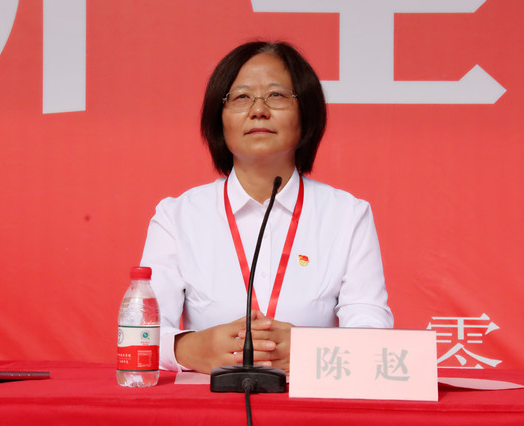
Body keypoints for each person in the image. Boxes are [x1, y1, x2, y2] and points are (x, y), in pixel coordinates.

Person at [141, 41, 393, 375]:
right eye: (241, 97)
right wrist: (190, 348)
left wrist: (310, 349)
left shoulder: (347, 215)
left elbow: (371, 328)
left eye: (276, 95)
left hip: (310, 399)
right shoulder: (177, 217)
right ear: (219, 119)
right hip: (211, 400)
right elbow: (141, 332)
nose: (258, 110)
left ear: (306, 115)